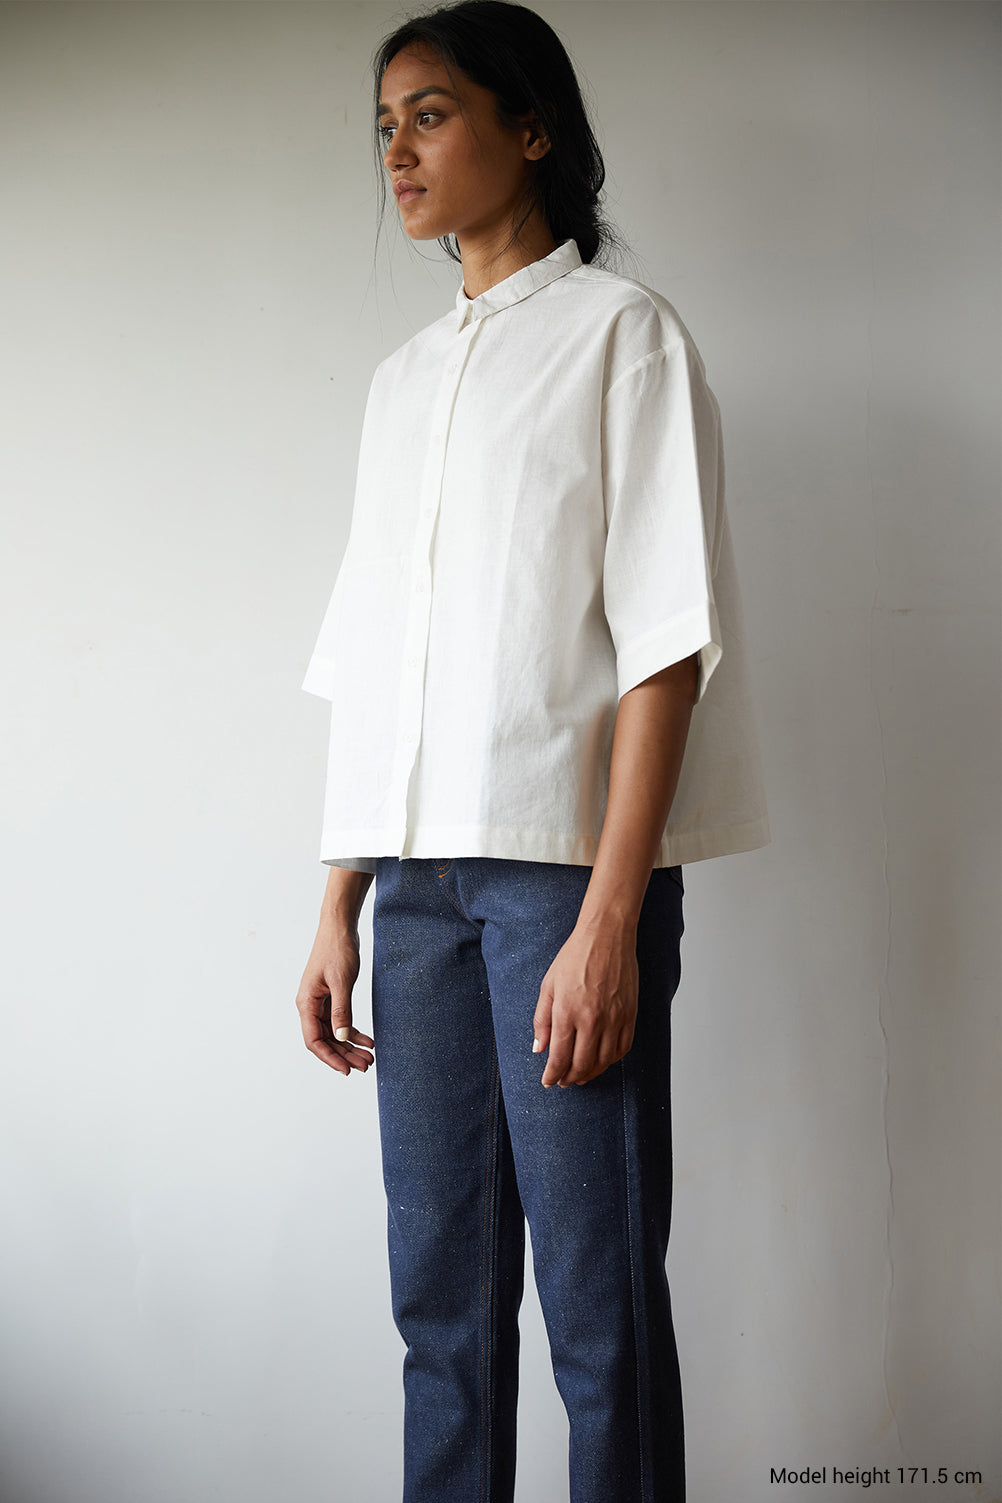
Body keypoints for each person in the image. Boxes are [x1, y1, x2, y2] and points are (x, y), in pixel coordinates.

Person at [295, 3, 770, 1499]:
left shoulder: (623, 337)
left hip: (562, 882)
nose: (397, 152)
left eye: (429, 115)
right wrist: (337, 901)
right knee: (439, 1311)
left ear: (533, 128)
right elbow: (373, 657)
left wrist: (611, 920)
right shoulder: (400, 383)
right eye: (384, 126)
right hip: (415, 894)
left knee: (597, 1310)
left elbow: (665, 643)